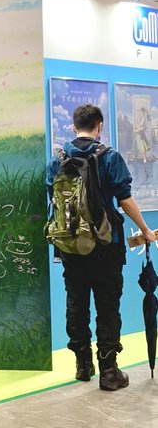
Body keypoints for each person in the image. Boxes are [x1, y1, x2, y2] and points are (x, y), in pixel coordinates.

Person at [46, 104, 155, 391]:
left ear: (74, 126)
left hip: (70, 245)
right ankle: (109, 371)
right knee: (107, 306)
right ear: (100, 126)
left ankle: (83, 365)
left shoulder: (57, 160)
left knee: (76, 302)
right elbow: (125, 199)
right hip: (106, 246)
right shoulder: (109, 157)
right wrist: (145, 230)